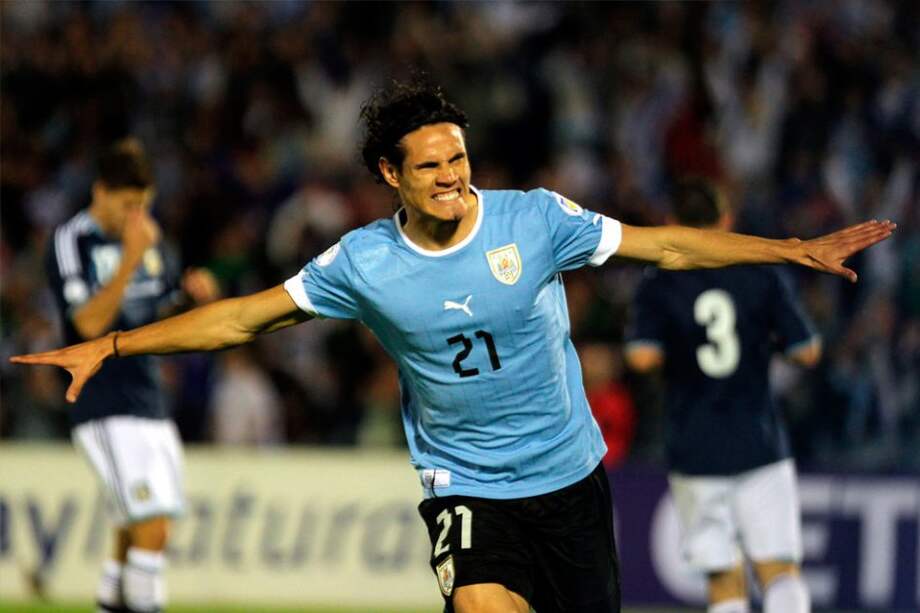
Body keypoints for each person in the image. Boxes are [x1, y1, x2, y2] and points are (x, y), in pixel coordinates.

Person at [12, 81, 894, 613]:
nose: (453, 175)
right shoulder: (362, 261)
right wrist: (117, 343)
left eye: (460, 157)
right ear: (390, 175)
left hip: (570, 476)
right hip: (467, 486)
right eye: (431, 164)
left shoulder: (537, 219)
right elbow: (244, 316)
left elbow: (665, 244)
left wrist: (789, 250)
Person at [624, 178, 821, 613]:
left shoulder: (659, 281)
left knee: (722, 575)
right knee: (779, 568)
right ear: (727, 220)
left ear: (672, 224)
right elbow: (805, 350)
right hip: (759, 439)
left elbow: (640, 356)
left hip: (694, 443)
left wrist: (680, 348)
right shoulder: (760, 271)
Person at [42, 138, 218, 613]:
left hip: (149, 399)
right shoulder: (72, 240)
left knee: (133, 524)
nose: (135, 216)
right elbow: (87, 324)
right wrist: (129, 260)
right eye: (127, 205)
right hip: (102, 401)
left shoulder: (151, 240)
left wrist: (189, 299)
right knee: (150, 526)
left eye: (143, 205)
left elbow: (158, 317)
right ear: (100, 192)